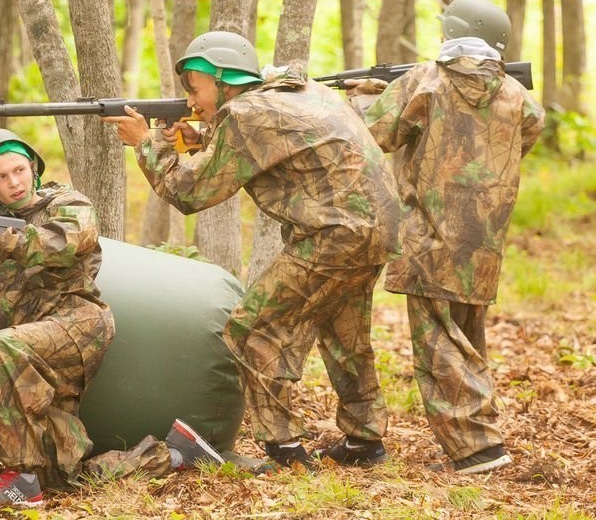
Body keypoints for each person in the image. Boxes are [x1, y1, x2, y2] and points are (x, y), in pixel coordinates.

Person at [0, 128, 224, 508]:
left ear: (33, 169)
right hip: (34, 351)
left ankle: (19, 477)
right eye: (1, 178)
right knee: (61, 476)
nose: (14, 182)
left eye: (19, 170)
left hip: (76, 326)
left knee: (4, 345)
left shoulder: (65, 203)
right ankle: (176, 455)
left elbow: (71, 240)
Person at [103, 31, 403, 471]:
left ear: (223, 79)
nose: (190, 100)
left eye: (195, 87)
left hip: (334, 234)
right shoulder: (299, 92)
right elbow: (275, 148)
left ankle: (285, 450)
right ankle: (365, 441)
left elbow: (190, 192)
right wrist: (200, 141)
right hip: (376, 228)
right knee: (344, 332)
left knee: (252, 329)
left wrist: (148, 143)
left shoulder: (245, 115)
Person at [348, 0, 545, 475]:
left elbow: (375, 133)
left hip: (430, 238)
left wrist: (363, 98)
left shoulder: (426, 79)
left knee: (439, 345)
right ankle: (483, 436)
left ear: (452, 31)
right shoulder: (518, 96)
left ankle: (478, 449)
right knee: (466, 339)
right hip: (483, 241)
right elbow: (528, 134)